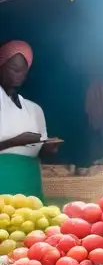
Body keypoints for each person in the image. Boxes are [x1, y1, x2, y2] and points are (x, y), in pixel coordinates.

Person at [0, 41, 57, 197]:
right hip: (2, 178)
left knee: (32, 219)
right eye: (14, 69)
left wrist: (47, 148)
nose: (19, 75)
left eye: (24, 71)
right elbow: (17, 143)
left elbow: (37, 151)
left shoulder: (34, 109)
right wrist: (15, 141)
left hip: (29, 180)